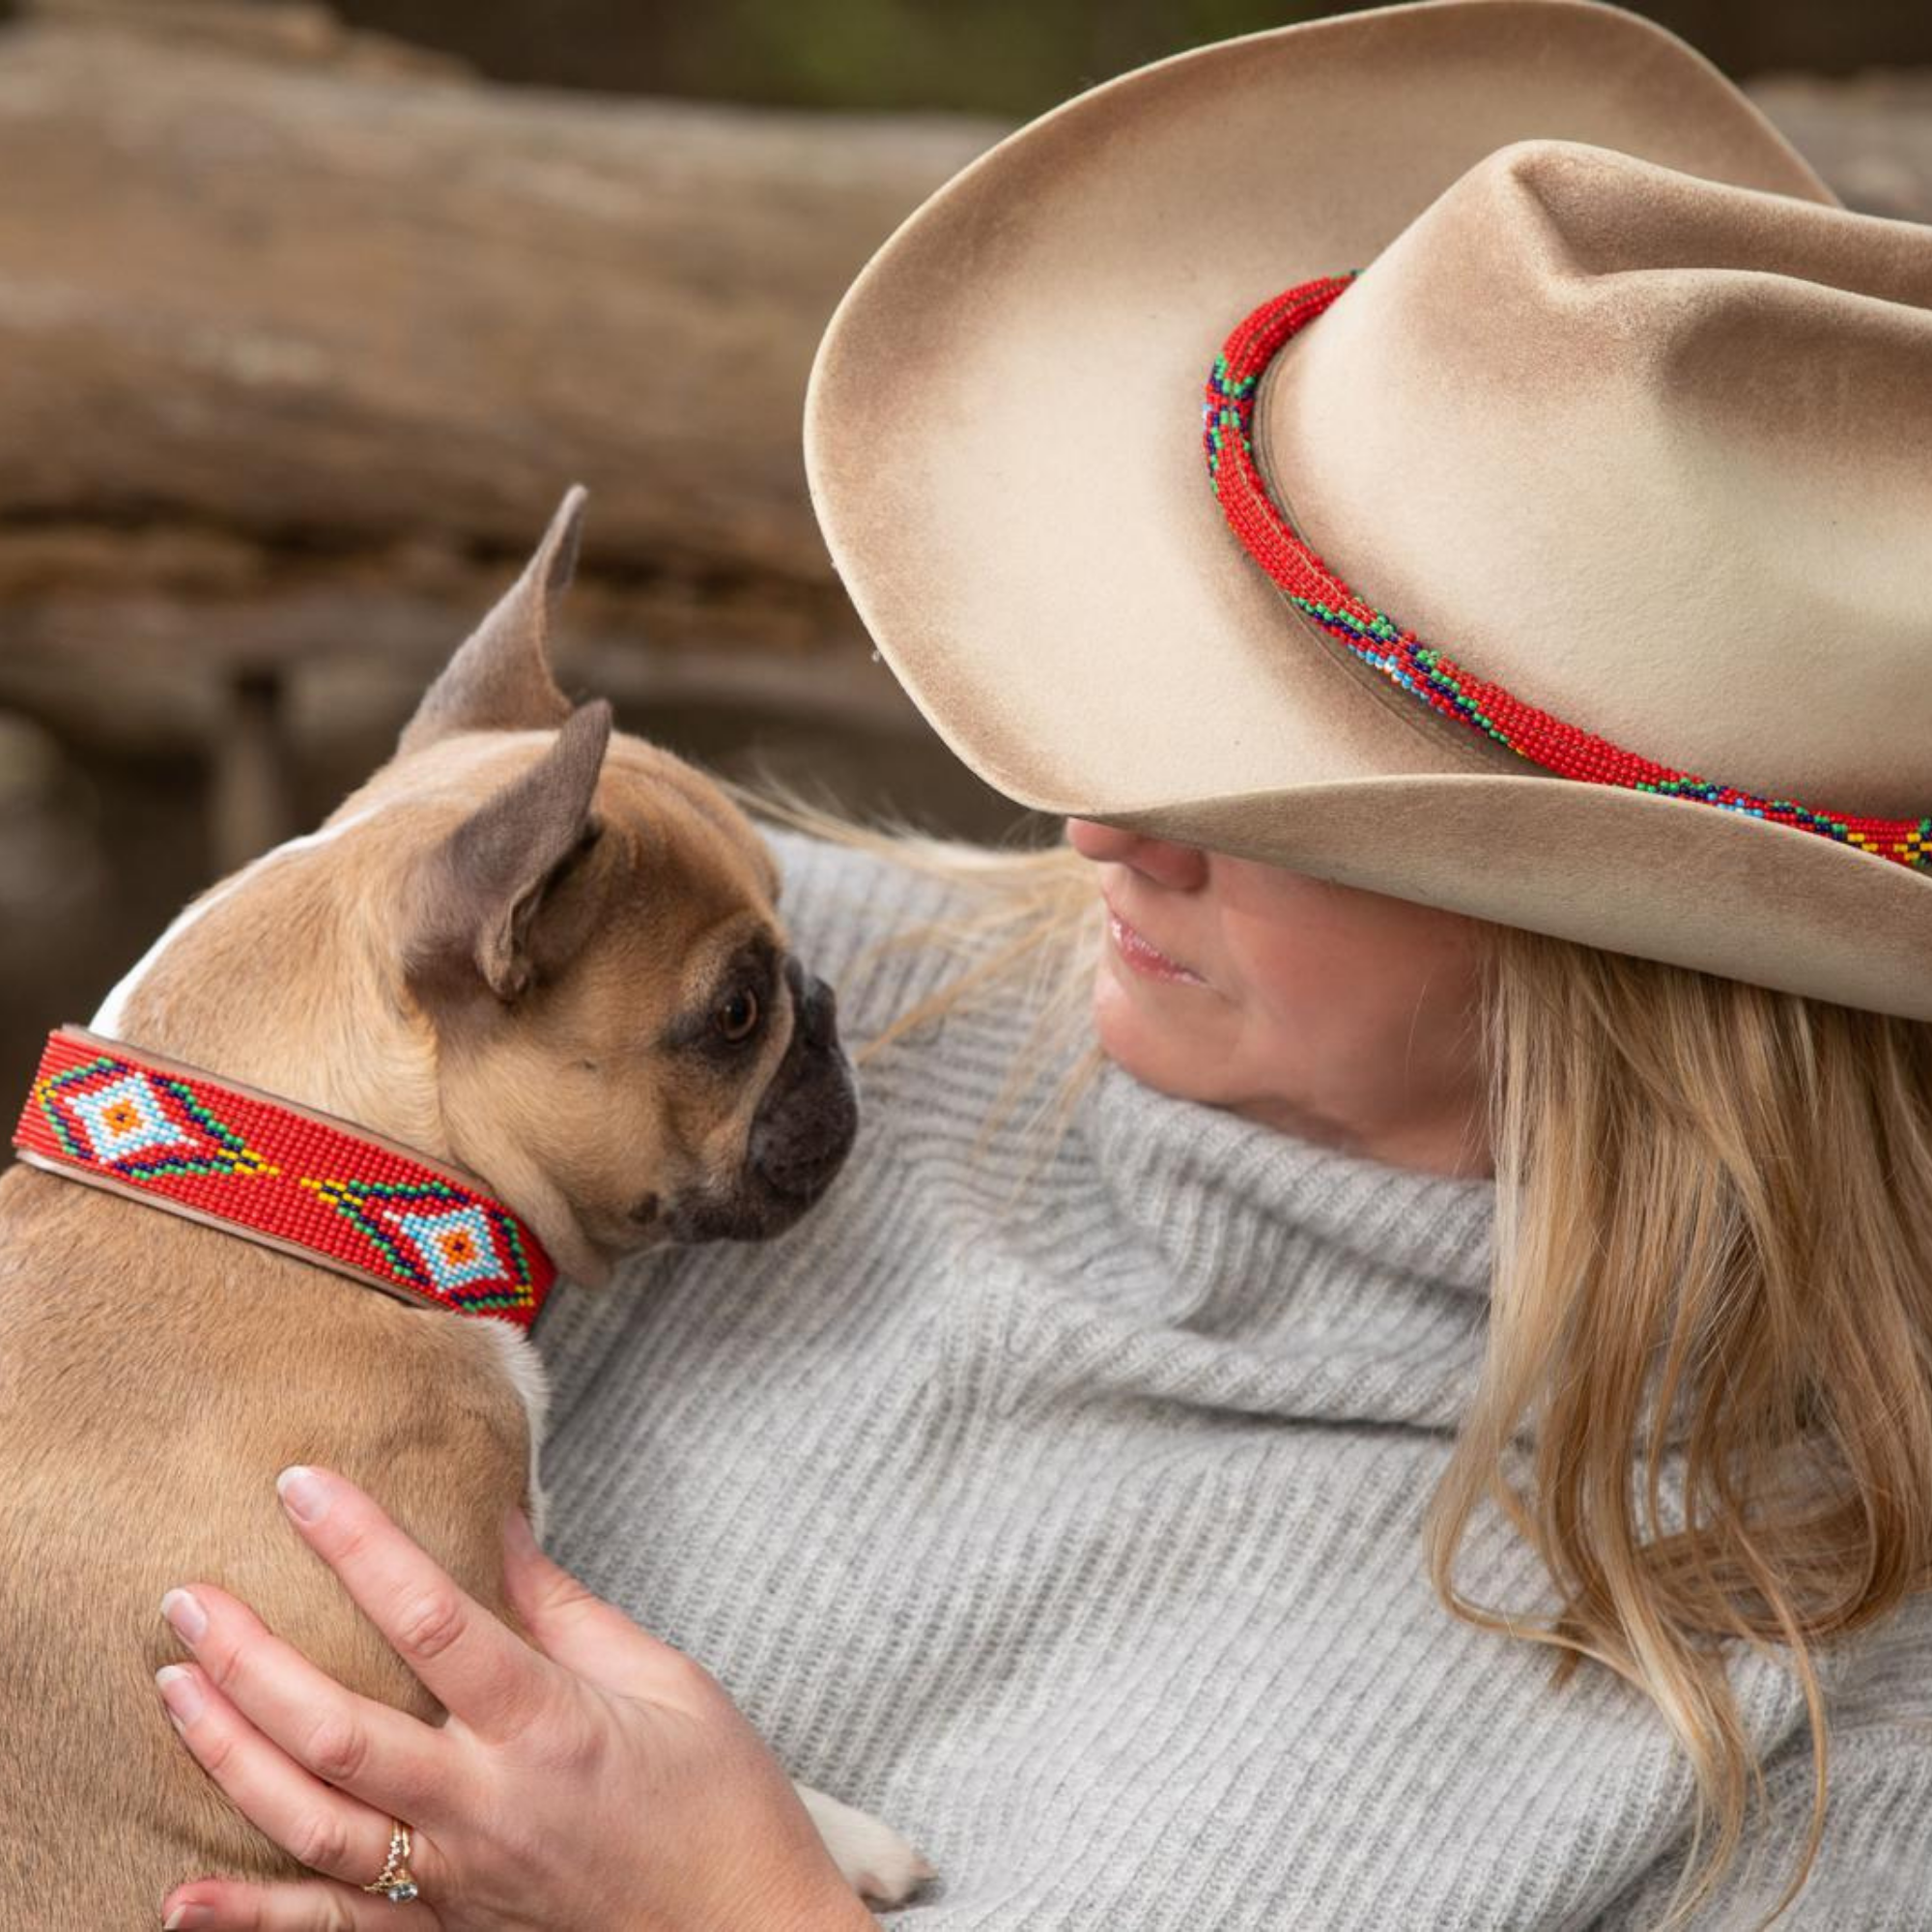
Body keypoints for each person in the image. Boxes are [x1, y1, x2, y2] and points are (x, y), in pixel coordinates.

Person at [149, 1, 1932, 1926]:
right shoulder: (749, 1001)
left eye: (1277, 797)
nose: (1099, 824)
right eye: (1158, 683)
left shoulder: (1824, 1735)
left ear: (1631, 954)